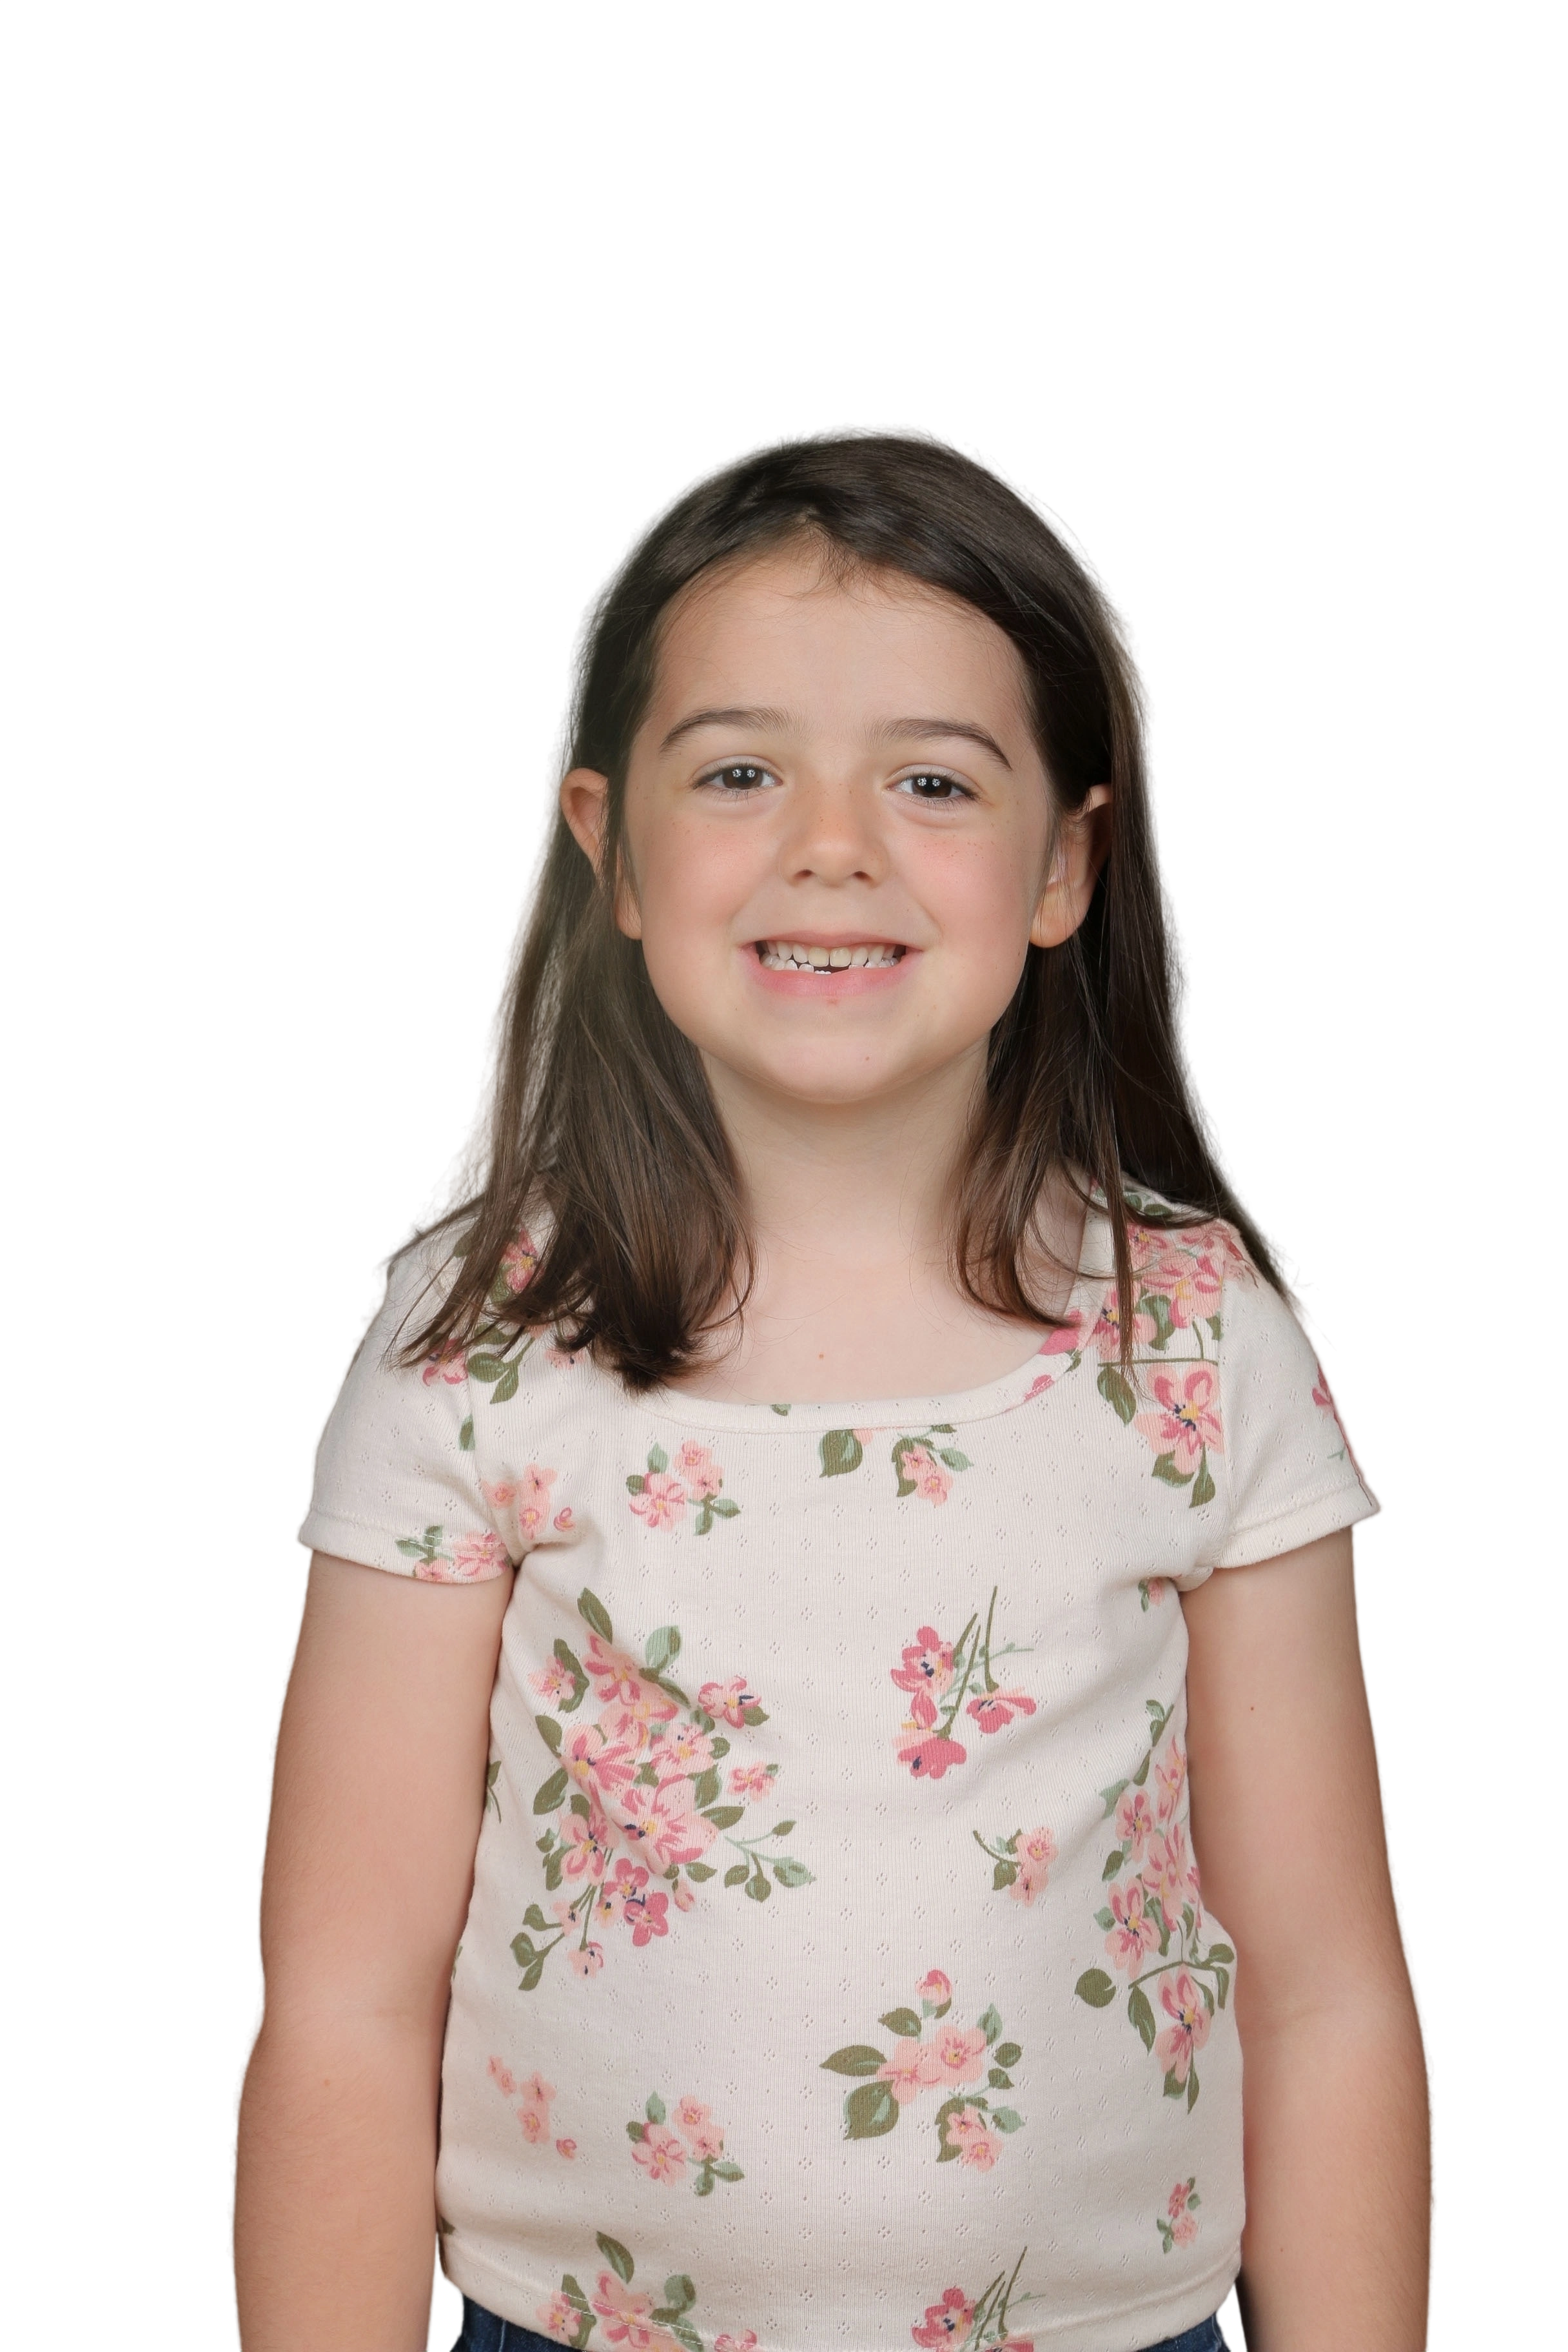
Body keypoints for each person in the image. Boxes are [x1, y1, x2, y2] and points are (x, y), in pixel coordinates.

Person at [228, 420, 1436, 2352]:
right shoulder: (474, 1350)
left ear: (1066, 865)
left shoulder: (1200, 1348)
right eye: (740, 770)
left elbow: (1327, 1996)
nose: (833, 845)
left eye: (933, 779)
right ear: (609, 849)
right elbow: (345, 2005)